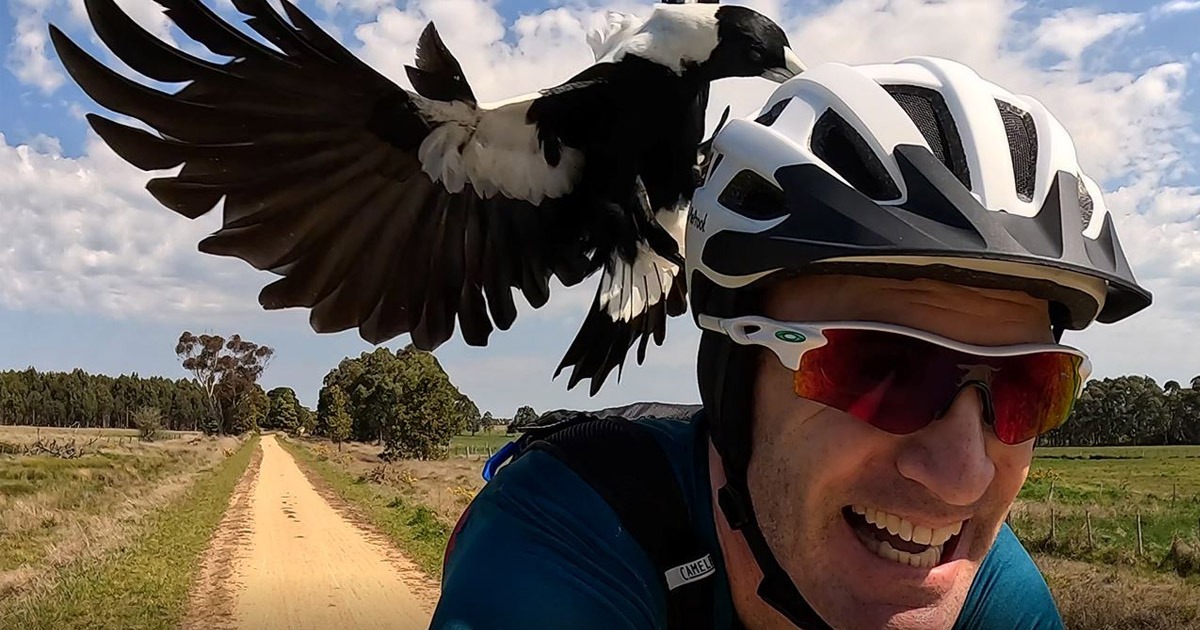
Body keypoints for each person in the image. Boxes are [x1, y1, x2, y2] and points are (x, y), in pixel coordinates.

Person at [428, 56, 1151, 629]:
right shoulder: (565, 541)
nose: (963, 479)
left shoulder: (987, 583)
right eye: (883, 370)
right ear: (734, 377)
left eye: (1030, 390)